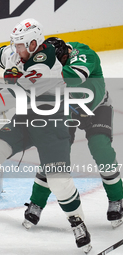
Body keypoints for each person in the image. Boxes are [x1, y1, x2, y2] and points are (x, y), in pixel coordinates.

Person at [0, 19, 92, 253]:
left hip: (51, 122)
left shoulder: (45, 62)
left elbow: (18, 91)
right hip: (26, 119)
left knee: (58, 181)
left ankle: (78, 223)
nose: (16, 50)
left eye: (20, 45)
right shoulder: (20, 51)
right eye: (15, 45)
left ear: (34, 43)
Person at [23, 37, 123, 229]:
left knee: (100, 148)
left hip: (96, 107)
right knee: (52, 157)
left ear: (65, 54)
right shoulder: (43, 63)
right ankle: (36, 202)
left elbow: (75, 76)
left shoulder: (83, 54)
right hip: (66, 111)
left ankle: (117, 199)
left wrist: (43, 73)